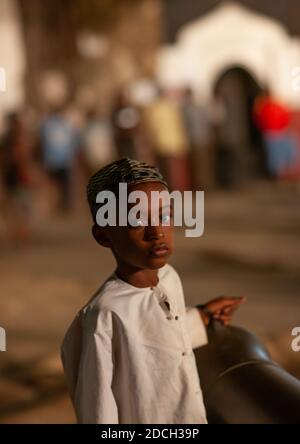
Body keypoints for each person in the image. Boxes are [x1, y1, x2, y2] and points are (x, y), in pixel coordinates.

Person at [61, 158, 245, 424]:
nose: (157, 232)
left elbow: (158, 347)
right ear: (103, 235)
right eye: (137, 220)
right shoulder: (105, 314)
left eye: (165, 215)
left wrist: (201, 317)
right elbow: (97, 409)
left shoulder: (170, 278)